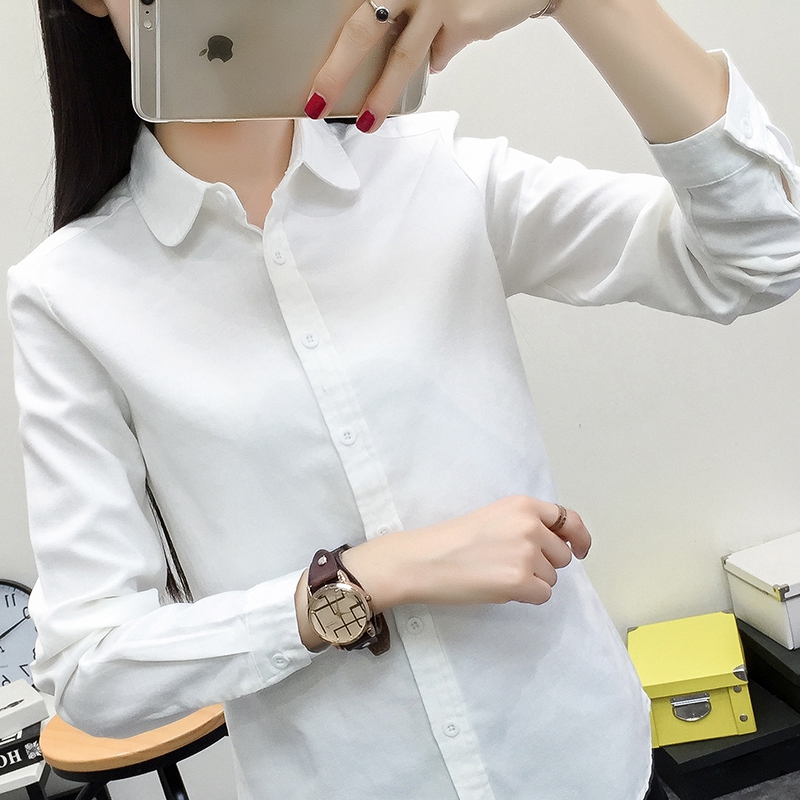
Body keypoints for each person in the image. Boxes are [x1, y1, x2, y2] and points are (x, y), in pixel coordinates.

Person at [7, 0, 800, 798]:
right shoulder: (70, 297)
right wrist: (364, 579)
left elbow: (761, 253)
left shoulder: (438, 175)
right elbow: (90, 670)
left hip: (589, 767)